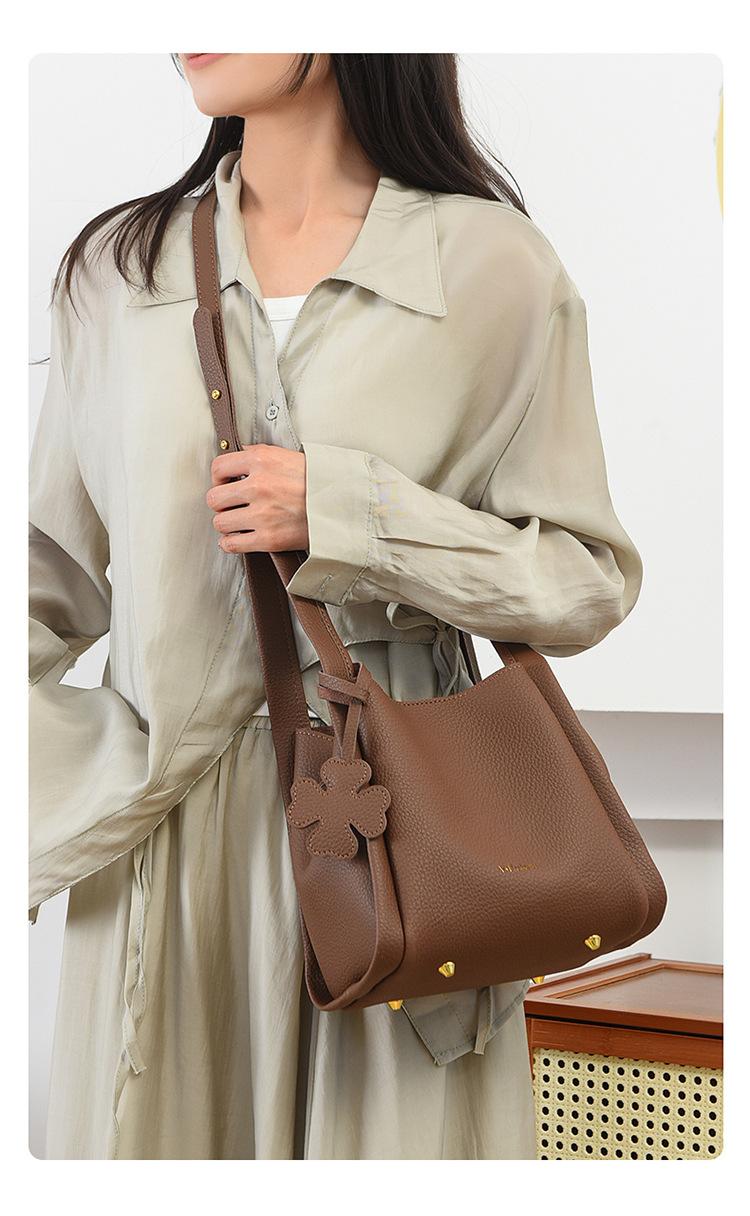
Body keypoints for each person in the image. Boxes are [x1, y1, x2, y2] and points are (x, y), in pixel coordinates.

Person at [29, 53, 643, 1160]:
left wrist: (355, 515)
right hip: (165, 865)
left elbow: (585, 576)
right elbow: (44, 581)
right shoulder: (118, 272)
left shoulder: (492, 267)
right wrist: (83, 779)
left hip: (403, 848)